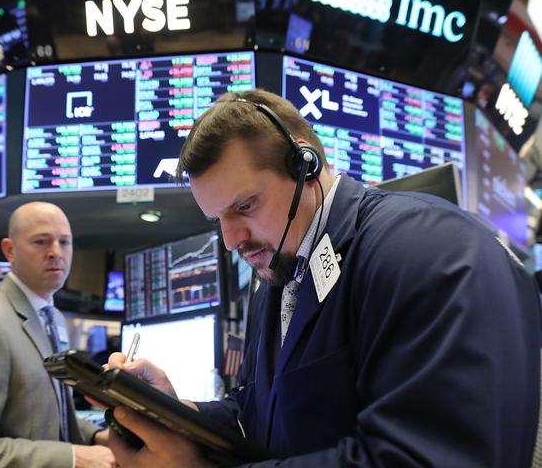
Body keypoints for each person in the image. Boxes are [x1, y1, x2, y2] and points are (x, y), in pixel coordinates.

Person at [106, 89, 541, 467]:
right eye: (217, 219)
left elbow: (424, 458)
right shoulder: (277, 275)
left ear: (304, 165)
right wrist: (179, 412)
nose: (231, 239)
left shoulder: (426, 252)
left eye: (244, 206)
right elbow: (260, 414)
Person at [0, 202, 116, 468]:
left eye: (65, 242)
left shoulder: (54, 319)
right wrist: (72, 458)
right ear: (10, 250)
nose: (55, 253)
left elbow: (50, 418)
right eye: (41, 242)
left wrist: (96, 436)